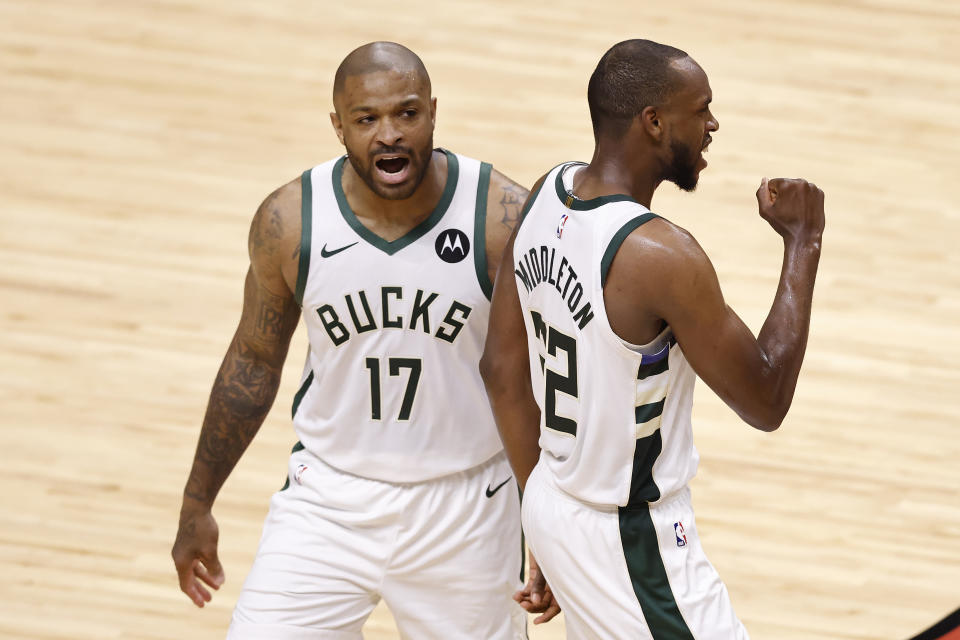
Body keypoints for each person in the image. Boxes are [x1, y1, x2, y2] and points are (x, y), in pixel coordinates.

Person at [171, 41, 556, 639]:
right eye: (366, 119)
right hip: (327, 499)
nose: (389, 135)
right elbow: (252, 362)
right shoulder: (291, 221)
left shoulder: (501, 220)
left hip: (468, 509)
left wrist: (552, 527)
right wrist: (198, 502)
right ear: (338, 126)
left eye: (407, 113)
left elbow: (550, 382)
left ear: (433, 112)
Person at [480, 39, 824, 640]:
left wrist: (545, 517)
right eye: (702, 109)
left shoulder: (546, 193)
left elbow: (501, 370)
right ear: (654, 122)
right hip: (633, 540)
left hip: (556, 500)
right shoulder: (660, 254)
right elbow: (766, 398)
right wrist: (803, 242)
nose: (713, 123)